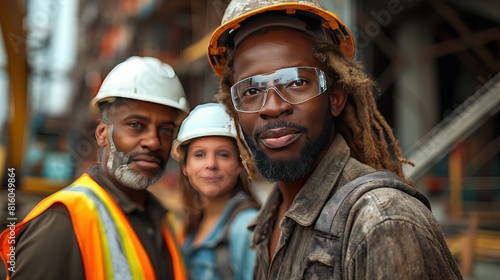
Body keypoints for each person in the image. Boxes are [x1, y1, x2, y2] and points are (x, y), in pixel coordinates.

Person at [206, 0, 463, 279]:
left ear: (335, 98)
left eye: (296, 82)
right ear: (235, 110)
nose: (271, 107)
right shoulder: (267, 223)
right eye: (252, 89)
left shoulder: (382, 222)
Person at [0, 56, 190, 280]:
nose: (154, 142)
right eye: (136, 125)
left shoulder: (164, 221)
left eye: (166, 129)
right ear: (101, 134)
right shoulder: (61, 222)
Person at [171, 102, 260, 280]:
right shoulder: (194, 220)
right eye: (199, 155)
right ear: (185, 166)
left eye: (223, 154)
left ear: (239, 165)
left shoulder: (246, 225)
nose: (211, 164)